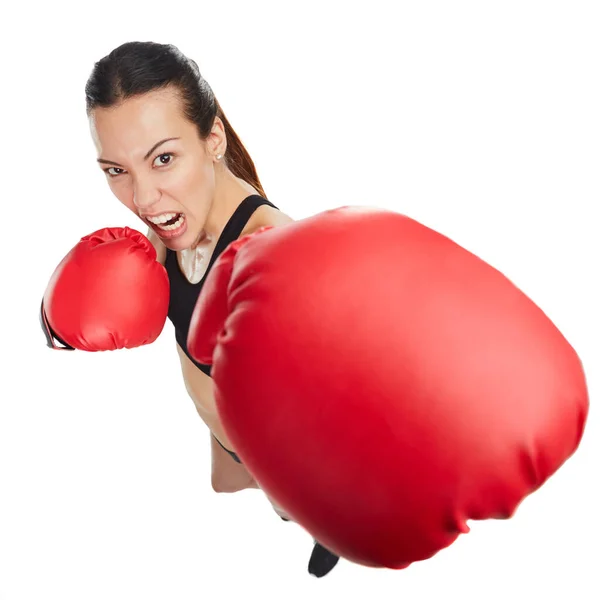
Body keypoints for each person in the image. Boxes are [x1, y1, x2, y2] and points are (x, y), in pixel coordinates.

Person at [58, 40, 339, 578]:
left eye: (163, 159)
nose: (142, 198)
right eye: (116, 170)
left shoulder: (274, 258)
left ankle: (321, 521)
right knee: (226, 484)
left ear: (213, 138)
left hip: (284, 462)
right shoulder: (168, 219)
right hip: (225, 444)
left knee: (293, 504)